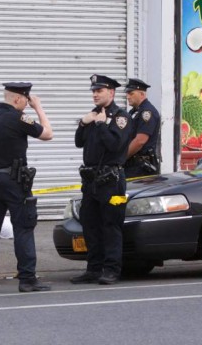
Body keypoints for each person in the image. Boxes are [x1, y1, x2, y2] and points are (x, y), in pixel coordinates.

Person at [0, 82, 53, 293]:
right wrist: (39, 108)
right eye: (26, 101)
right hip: (15, 182)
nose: (27, 105)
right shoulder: (18, 118)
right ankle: (27, 279)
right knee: (23, 229)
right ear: (17, 99)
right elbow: (47, 134)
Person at [71, 74, 132, 285]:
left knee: (111, 225)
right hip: (91, 182)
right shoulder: (93, 116)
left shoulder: (120, 117)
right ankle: (93, 269)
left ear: (111, 92)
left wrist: (100, 125)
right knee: (90, 225)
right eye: (93, 91)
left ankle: (112, 269)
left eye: (99, 91)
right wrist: (83, 122)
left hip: (112, 182)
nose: (95, 94)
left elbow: (114, 145)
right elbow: (79, 142)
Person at [124, 78, 161, 178]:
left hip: (141, 168)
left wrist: (121, 157)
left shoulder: (147, 112)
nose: (127, 96)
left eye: (131, 93)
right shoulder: (134, 112)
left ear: (142, 94)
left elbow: (140, 141)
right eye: (127, 93)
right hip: (131, 165)